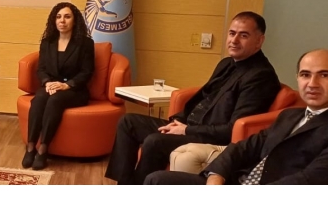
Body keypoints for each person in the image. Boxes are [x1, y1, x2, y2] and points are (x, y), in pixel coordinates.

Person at [145, 49, 328, 185]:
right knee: (158, 180)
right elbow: (244, 147)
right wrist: (216, 175)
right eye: (305, 75)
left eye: (324, 75)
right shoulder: (290, 116)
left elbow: (311, 181)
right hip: (237, 184)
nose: (312, 83)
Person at [104, 11, 281, 184]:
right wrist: (178, 121)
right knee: (128, 122)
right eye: (232, 33)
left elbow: (233, 129)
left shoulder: (260, 76)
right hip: (191, 126)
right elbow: (202, 97)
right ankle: (125, 184)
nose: (234, 40)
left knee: (154, 141)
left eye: (243, 35)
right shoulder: (226, 63)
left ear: (259, 41)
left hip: (212, 137)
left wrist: (187, 130)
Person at [22, 2, 95, 171]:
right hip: (51, 86)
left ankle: (43, 149)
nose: (62, 20)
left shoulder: (85, 44)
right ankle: (31, 147)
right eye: (59, 17)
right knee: (39, 99)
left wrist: (67, 85)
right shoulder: (47, 42)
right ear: (54, 20)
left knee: (55, 100)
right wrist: (47, 82)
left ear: (75, 21)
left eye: (67, 17)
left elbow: (87, 72)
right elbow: (41, 69)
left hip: (75, 90)